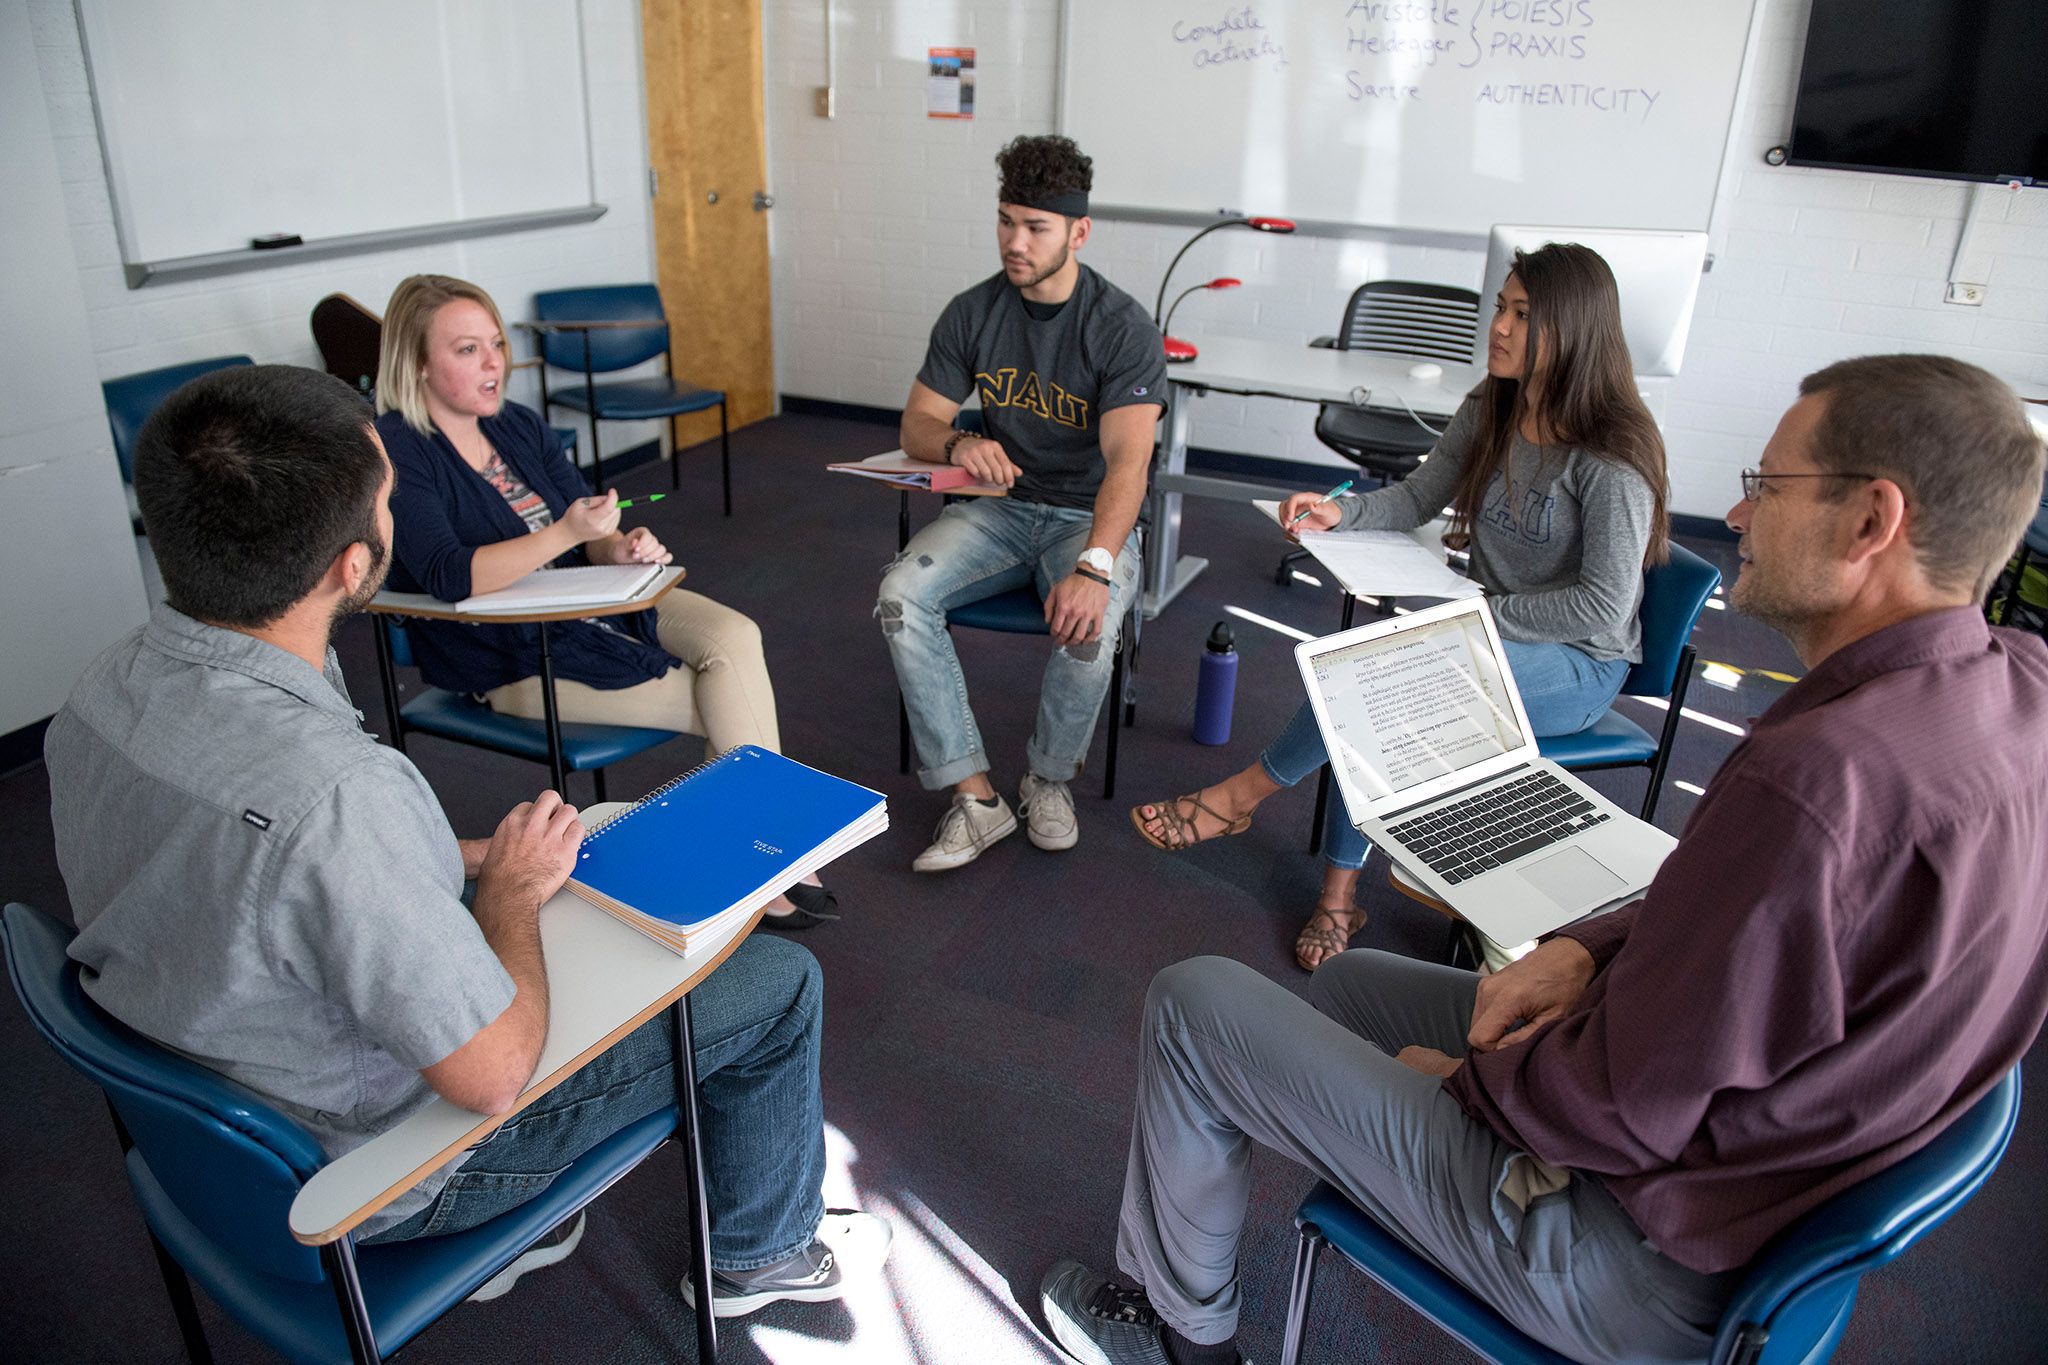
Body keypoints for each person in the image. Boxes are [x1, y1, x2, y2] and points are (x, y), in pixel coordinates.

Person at [1040, 354, 2048, 1365]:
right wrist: (1580, 947)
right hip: (1745, 1185)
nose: (1735, 518)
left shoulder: (1816, 782)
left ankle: (1180, 1344)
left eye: (1765, 485)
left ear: (1871, 522)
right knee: (1349, 985)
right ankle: (1357, 1191)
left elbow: (1621, 1108)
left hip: (1628, 1246)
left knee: (1190, 1000)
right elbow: (1746, 956)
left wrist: (1478, 1094)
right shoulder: (2015, 690)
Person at [44, 365, 889, 1314]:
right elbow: (489, 1076)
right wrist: (510, 894)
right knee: (775, 988)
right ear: (350, 568)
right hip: (373, 1174)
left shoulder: (96, 697)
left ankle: (531, 1227)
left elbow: (273, 867)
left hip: (209, 1116)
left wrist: (476, 856)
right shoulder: (342, 792)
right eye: (389, 498)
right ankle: (757, 1254)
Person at [1132, 243, 1667, 970]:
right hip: (1481, 630)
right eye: (1500, 308)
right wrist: (1337, 514)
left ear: (1572, 331)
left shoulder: (1611, 455)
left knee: (1401, 682)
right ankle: (1334, 893)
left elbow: (1602, 608)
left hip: (1577, 663)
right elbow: (1418, 497)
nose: (1498, 327)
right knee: (1396, 681)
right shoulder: (1493, 403)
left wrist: (1472, 620)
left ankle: (1252, 806)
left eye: (1521, 315)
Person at [374, 274, 834, 928]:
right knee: (723, 702)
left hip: (592, 598)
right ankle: (771, 866)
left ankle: (755, 864)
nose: (495, 362)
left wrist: (618, 545)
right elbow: (449, 573)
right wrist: (567, 532)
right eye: (468, 349)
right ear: (416, 364)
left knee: (738, 636)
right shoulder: (399, 449)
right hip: (507, 652)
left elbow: (589, 528)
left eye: (497, 344)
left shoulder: (516, 425)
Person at [879, 134, 1165, 871]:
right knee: (900, 595)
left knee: (1088, 627)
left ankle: (1047, 776)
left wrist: (1098, 565)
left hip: (1084, 515)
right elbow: (916, 421)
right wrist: (954, 444)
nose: (1015, 241)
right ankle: (975, 798)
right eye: (1007, 220)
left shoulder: (1120, 326)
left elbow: (1130, 464)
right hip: (1000, 509)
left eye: (1035, 227)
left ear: (1079, 232)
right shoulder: (974, 311)